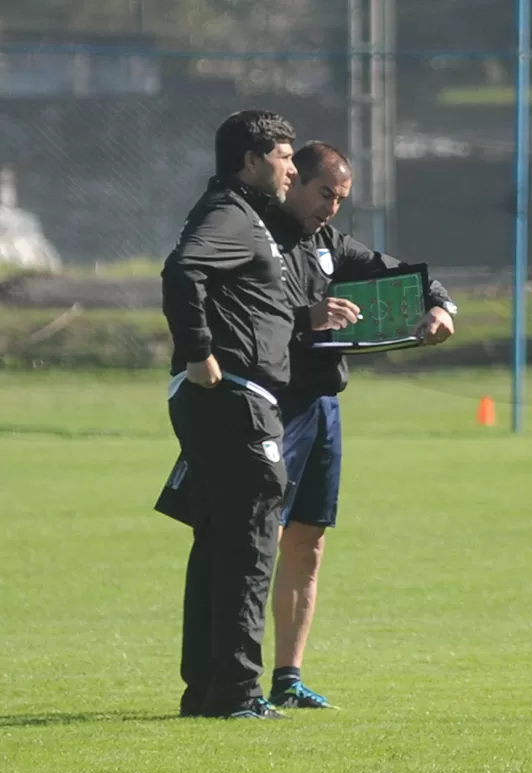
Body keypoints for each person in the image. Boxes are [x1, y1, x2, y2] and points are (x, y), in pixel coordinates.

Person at [261, 141, 458, 710]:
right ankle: (237, 678)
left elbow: (402, 274)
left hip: (323, 404)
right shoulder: (255, 238)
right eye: (325, 194)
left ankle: (288, 679)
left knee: (309, 542)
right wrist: (306, 317)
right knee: (257, 541)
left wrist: (441, 306)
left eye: (341, 200)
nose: (331, 209)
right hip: (272, 403)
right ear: (294, 179)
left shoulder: (328, 244)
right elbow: (242, 314)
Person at [160, 109, 308, 720]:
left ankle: (207, 687)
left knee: (220, 543)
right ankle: (239, 694)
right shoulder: (229, 213)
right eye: (282, 156)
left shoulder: (246, 216)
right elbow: (182, 269)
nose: (291, 167)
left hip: (232, 400)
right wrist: (199, 354)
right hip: (235, 399)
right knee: (249, 541)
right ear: (250, 160)